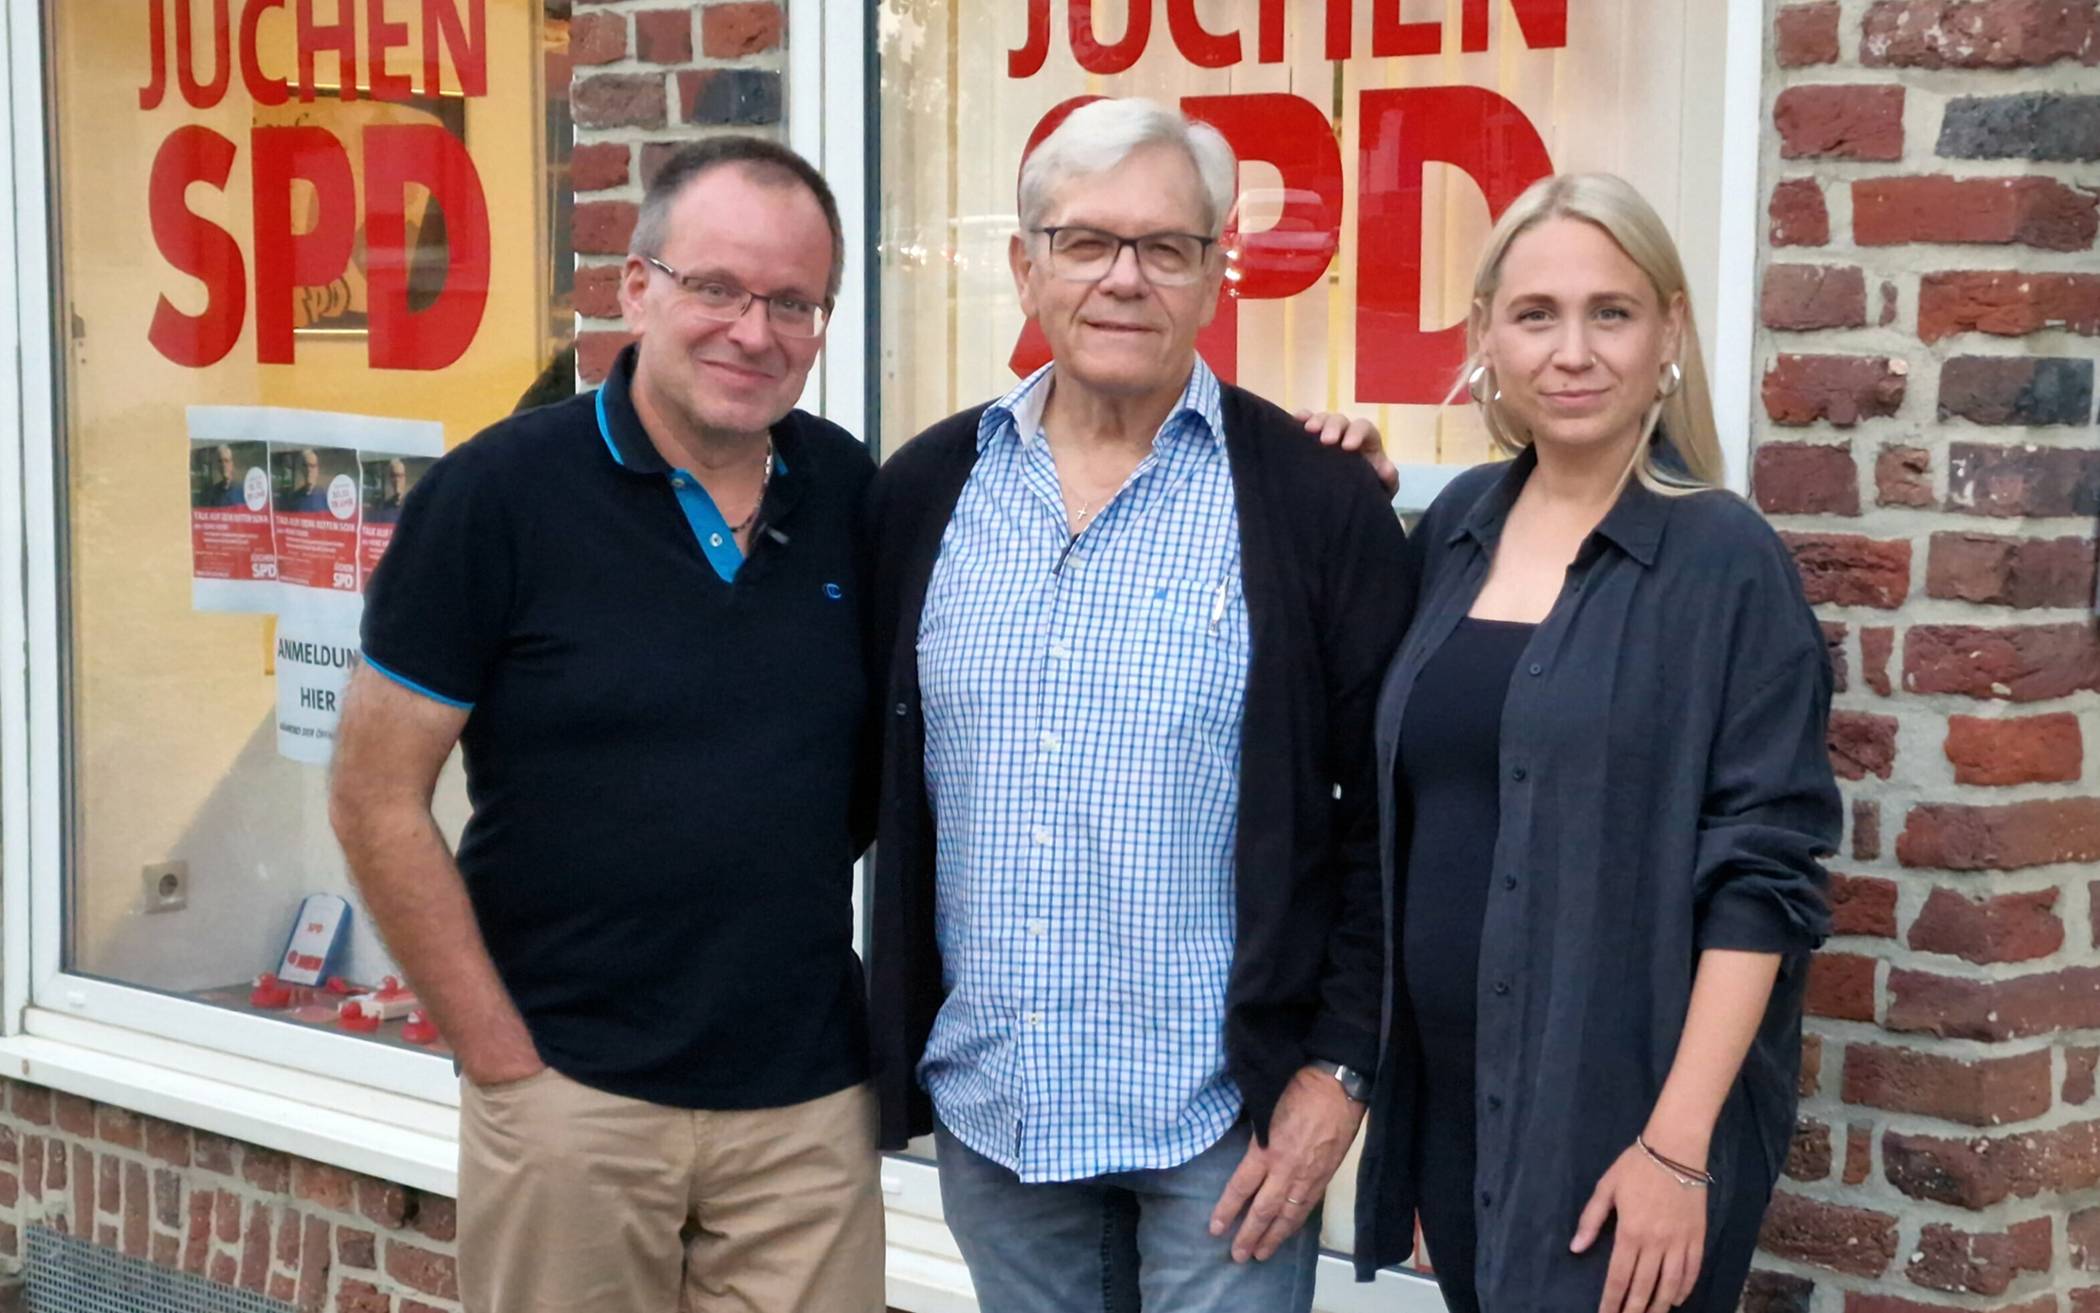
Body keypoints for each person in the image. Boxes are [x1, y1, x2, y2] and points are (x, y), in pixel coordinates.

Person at [864, 97, 1412, 1313]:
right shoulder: (924, 495)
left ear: (1218, 273)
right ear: (1024, 265)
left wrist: (1340, 1069)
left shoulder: (1315, 506)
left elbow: (1389, 819)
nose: (1125, 278)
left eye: (1166, 247)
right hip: (996, 1109)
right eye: (1084, 242)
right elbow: (846, 780)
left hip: (1229, 1126)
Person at [328, 136, 884, 1313]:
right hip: (572, 1090)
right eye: (717, 287)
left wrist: (1304, 460)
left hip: (804, 1103)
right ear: (637, 288)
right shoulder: (498, 497)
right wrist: (498, 1055)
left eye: (794, 301)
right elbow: (376, 790)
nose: (754, 328)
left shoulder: (850, 492)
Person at [1349, 173, 1839, 1313]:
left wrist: (1678, 1149)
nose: (1573, 351)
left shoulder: (1723, 561)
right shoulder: (1457, 529)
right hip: (1464, 1111)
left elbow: (1763, 877)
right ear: (1486, 338)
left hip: (1622, 1116)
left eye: (1610, 313)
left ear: (1668, 328)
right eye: (1536, 315)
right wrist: (1336, 477)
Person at [365, 458, 410, 524]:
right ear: (390, 479)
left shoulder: (412, 506)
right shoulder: (384, 508)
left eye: (400, 476)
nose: (397, 480)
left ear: (405, 478)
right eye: (393, 476)